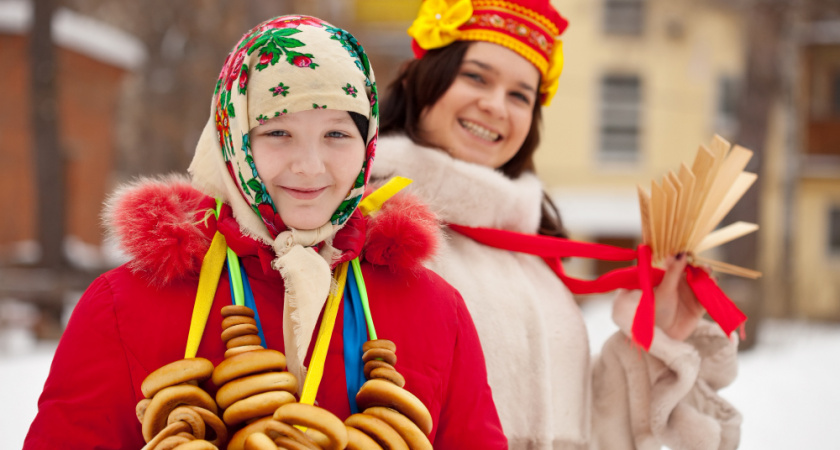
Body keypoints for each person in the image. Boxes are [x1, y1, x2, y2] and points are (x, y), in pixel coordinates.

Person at [24, 15, 506, 449]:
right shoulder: (124, 305)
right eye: (278, 132)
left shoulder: (436, 310)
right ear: (232, 139)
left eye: (337, 134)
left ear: (368, 144)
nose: (309, 165)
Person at [372, 0, 743, 448]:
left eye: (520, 95)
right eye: (476, 77)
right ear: (418, 77)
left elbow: (589, 426)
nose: (495, 106)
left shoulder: (532, 255)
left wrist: (655, 332)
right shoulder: (367, 226)